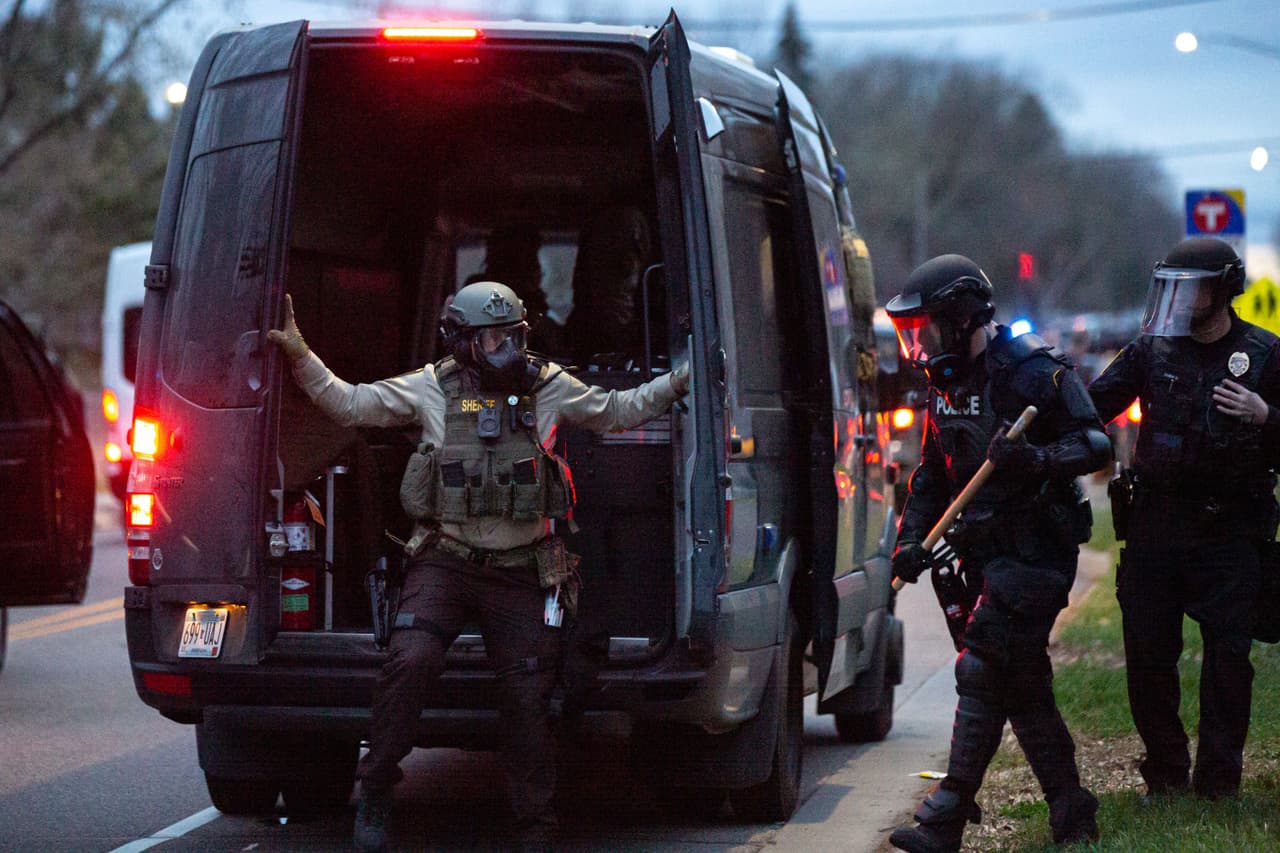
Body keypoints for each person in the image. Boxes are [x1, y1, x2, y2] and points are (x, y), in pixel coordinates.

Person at [268, 281, 688, 852]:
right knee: (408, 661)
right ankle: (375, 788)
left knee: (527, 698)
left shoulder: (549, 387)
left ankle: (534, 828)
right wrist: (299, 352)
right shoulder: (430, 388)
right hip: (447, 560)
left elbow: (616, 410)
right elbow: (349, 402)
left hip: (522, 568)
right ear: (461, 342)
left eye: (512, 336)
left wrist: (679, 381)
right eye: (490, 338)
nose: (504, 350)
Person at [885, 254, 1110, 852]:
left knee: (982, 664)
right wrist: (910, 541)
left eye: (926, 329)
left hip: (1039, 550)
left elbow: (1093, 442)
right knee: (1023, 688)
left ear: (960, 319)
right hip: (984, 554)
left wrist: (1037, 459)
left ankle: (945, 817)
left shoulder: (1033, 370)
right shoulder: (944, 385)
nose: (920, 346)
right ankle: (1072, 809)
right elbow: (933, 473)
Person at [1089, 236, 1280, 800]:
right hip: (1157, 526)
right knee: (1148, 656)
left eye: (1188, 287)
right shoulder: (1151, 350)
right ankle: (1167, 774)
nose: (1176, 298)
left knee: (1228, 661)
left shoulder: (1266, 355)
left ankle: (1219, 780)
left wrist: (1266, 415)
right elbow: (1091, 406)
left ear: (1222, 290)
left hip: (1231, 531)